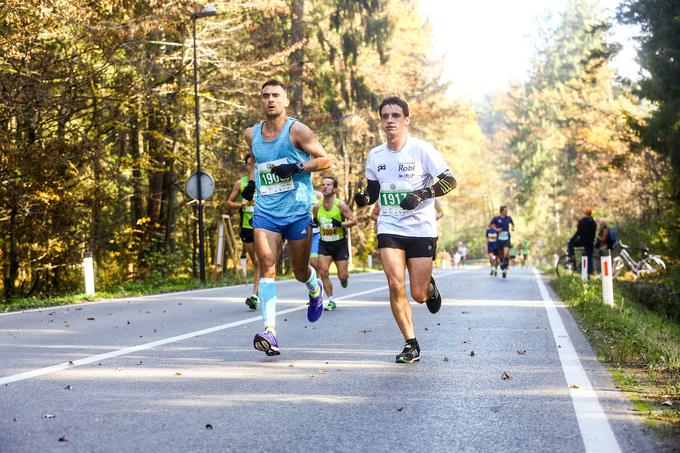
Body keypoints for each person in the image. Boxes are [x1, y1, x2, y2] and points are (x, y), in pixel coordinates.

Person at [354, 96, 456, 363]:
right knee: (395, 284)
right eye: (385, 116)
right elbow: (374, 191)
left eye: (395, 115)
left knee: (418, 294)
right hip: (389, 226)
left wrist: (422, 194)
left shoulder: (422, 150)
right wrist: (364, 199)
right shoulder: (375, 155)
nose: (390, 120)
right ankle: (411, 344)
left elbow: (450, 180)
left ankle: (429, 288)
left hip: (421, 228)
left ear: (406, 120)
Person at [241, 79, 332, 356]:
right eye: (266, 96)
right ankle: (270, 331)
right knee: (266, 265)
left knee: (300, 271)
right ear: (261, 101)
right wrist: (252, 182)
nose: (270, 100)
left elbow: (325, 160)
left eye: (276, 96)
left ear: (286, 101)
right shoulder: (251, 134)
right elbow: (257, 161)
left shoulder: (297, 131)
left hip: (296, 211)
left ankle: (314, 287)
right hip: (266, 212)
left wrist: (297, 166)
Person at [313, 175, 356, 311]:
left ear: (334, 189)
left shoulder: (340, 205)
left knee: (342, 275)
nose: (325, 187)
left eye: (328, 185)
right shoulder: (317, 206)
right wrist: (315, 223)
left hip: (339, 244)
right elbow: (316, 220)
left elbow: (353, 221)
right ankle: (330, 300)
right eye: (323, 185)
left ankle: (344, 280)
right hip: (324, 243)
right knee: (323, 271)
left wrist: (341, 224)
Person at [226, 154, 260, 309]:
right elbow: (228, 203)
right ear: (246, 165)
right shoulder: (240, 183)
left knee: (260, 262)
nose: (251, 165)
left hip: (263, 226)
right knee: (255, 262)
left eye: (254, 163)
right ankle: (260, 290)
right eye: (249, 163)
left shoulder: (264, 182)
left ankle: (255, 295)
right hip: (247, 227)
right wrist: (241, 204)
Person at [567, 207, 597, 274]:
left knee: (570, 243)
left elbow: (578, 232)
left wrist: (572, 239)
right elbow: (594, 233)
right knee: (589, 256)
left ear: (585, 213)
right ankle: (589, 271)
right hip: (590, 242)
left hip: (582, 241)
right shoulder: (594, 222)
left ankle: (571, 257)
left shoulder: (582, 221)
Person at [489, 205, 514, 278]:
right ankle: (503, 267)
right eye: (505, 211)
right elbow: (490, 225)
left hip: (506, 238)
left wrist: (512, 228)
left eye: (507, 210)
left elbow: (512, 224)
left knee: (506, 253)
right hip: (499, 239)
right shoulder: (496, 218)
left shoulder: (508, 218)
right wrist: (496, 229)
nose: (506, 212)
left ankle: (505, 267)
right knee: (500, 255)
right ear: (501, 211)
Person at [309, 190, 323, 272]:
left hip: (316, 234)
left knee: (314, 263)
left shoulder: (318, 195)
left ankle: (319, 282)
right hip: (302, 233)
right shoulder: (295, 193)